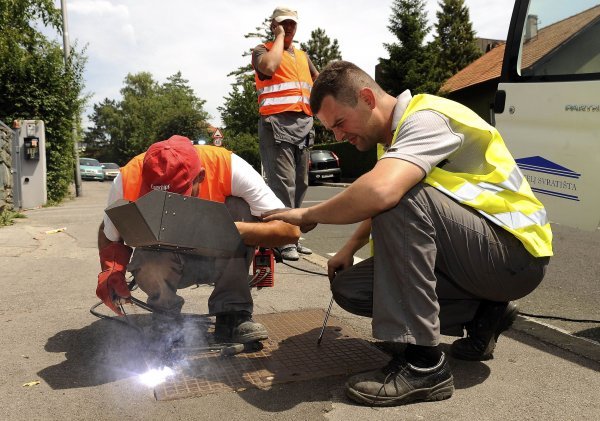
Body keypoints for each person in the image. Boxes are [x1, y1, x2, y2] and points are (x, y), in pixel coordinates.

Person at [263, 61, 552, 406]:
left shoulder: (427, 117)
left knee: (397, 198)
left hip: (515, 255)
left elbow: (384, 195)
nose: (338, 136)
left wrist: (307, 213)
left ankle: (424, 366)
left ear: (368, 98)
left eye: (339, 123)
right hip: (480, 260)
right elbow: (385, 199)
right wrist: (350, 246)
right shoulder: (395, 140)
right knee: (351, 288)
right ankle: (484, 315)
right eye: (331, 130)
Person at [96, 135, 299, 349]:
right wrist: (111, 273)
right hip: (164, 260)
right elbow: (109, 233)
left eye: (178, 195)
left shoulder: (228, 166)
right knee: (146, 255)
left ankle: (232, 314)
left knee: (240, 207)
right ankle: (166, 318)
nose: (171, 206)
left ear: (200, 177)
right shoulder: (128, 177)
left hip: (220, 256)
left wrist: (233, 230)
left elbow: (290, 230)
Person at [252, 6, 319, 261]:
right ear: (274, 25)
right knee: (282, 183)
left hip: (303, 122)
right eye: (283, 24)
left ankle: (293, 234)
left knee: (300, 183)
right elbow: (269, 67)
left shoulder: (302, 55)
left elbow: (319, 81)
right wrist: (279, 37)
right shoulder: (263, 50)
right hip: (276, 123)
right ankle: (282, 238)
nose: (289, 28)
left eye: (292, 24)